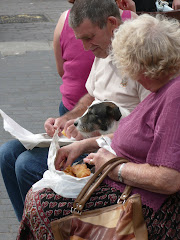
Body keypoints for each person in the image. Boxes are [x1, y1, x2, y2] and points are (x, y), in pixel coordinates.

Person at [18, 13, 180, 240]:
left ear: (141, 65)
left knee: (41, 204)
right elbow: (135, 137)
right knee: (38, 194)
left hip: (144, 209)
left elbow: (169, 179)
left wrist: (114, 168)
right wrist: (84, 145)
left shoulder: (174, 97)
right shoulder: (162, 90)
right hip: (125, 188)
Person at [0, 0, 148, 224]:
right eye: (82, 40)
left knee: (26, 165)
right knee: (8, 154)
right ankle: (30, 228)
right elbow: (91, 95)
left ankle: (48, 227)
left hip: (109, 149)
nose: (87, 48)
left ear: (111, 23)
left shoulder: (142, 59)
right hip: (86, 135)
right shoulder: (104, 50)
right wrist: (65, 118)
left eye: (89, 38)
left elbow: (144, 130)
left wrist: (88, 140)